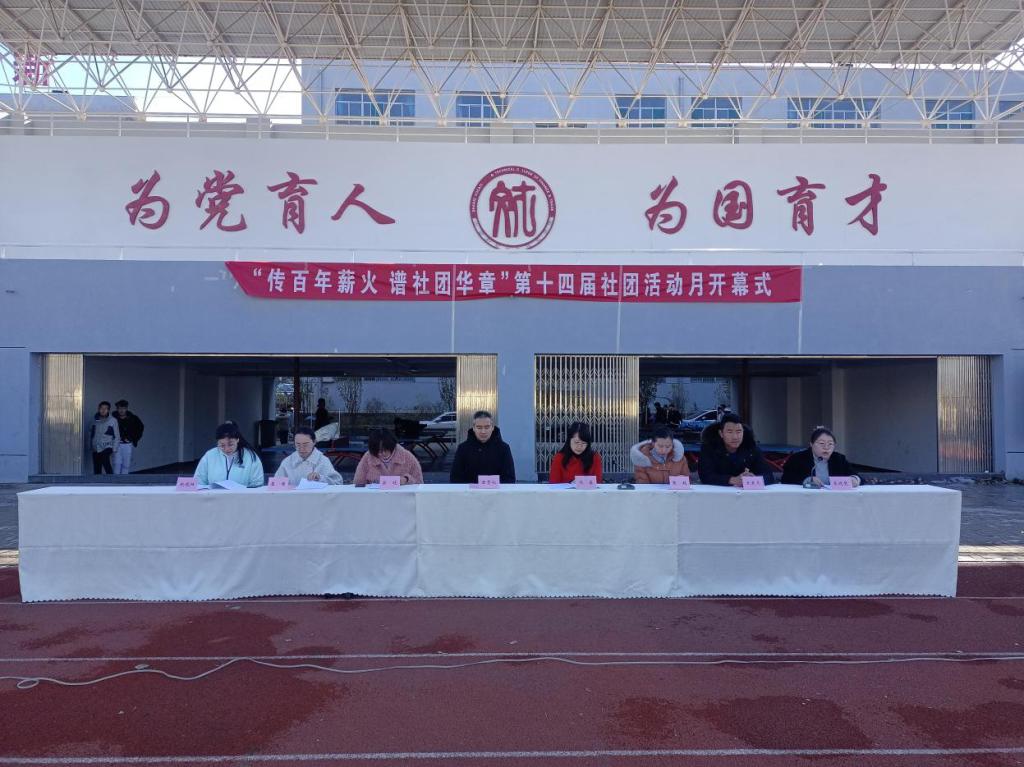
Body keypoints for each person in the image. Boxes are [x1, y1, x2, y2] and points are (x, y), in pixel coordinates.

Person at [698, 414, 776, 487]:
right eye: (730, 432)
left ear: (743, 432)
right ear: (721, 433)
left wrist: (754, 479)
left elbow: (769, 476)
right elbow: (705, 476)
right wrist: (732, 480)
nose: (735, 437)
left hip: (747, 494)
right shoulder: (709, 448)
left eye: (739, 431)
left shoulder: (751, 448)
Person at [781, 427, 861, 488]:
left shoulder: (839, 459)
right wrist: (806, 480)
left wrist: (855, 479)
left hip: (834, 498)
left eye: (830, 444)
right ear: (811, 444)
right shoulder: (797, 458)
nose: (826, 447)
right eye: (822, 443)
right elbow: (786, 479)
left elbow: (856, 475)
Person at [449, 410, 516, 484]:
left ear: (492, 427)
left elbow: (509, 478)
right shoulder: (463, 449)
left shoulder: (504, 448)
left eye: (487, 427)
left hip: (496, 491)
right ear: (474, 428)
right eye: (479, 427)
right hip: (469, 491)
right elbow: (455, 478)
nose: (483, 431)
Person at [194, 422, 265, 488]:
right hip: (214, 496)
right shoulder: (209, 456)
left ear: (237, 440)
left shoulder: (250, 457)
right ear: (217, 442)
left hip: (241, 496)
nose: (227, 449)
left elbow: (257, 483)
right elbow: (198, 481)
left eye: (231, 444)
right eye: (222, 445)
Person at [275, 427, 344, 486]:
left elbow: (338, 482)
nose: (301, 449)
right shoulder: (288, 462)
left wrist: (320, 478)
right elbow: (276, 484)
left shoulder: (322, 461)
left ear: (314, 442)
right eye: (298, 444)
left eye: (305, 444)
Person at [353, 428, 423, 486]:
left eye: (385, 450)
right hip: (375, 496)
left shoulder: (407, 457)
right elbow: (358, 482)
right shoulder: (368, 457)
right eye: (377, 451)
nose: (381, 453)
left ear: (392, 445)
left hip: (402, 496)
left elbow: (420, 483)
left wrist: (406, 479)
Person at [112, 399, 145, 475]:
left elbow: (140, 428)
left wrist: (133, 438)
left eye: (123, 408)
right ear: (117, 409)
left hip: (127, 444)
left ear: (126, 408)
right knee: (117, 464)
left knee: (126, 465)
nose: (121, 410)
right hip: (116, 444)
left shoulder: (133, 418)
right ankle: (115, 481)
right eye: (119, 408)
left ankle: (124, 481)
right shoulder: (113, 418)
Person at [89, 401, 120, 475]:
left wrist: (114, 448)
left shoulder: (113, 420)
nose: (103, 410)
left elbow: (117, 435)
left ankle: (111, 480)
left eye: (106, 408)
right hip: (96, 446)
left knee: (105, 461)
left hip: (107, 446)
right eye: (101, 408)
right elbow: (91, 432)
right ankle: (97, 481)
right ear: (98, 409)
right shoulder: (94, 420)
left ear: (108, 410)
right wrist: (91, 445)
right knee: (97, 467)